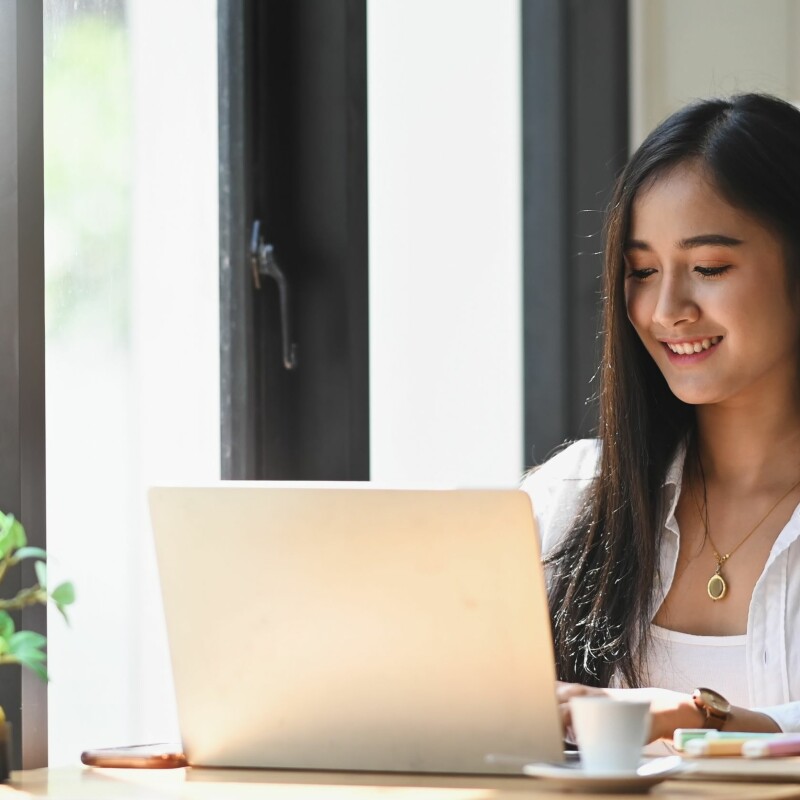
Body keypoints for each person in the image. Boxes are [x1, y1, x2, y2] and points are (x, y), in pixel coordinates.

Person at [522, 92, 800, 740]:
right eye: (642, 271)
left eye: (708, 267)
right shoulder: (570, 501)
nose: (666, 308)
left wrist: (708, 723)